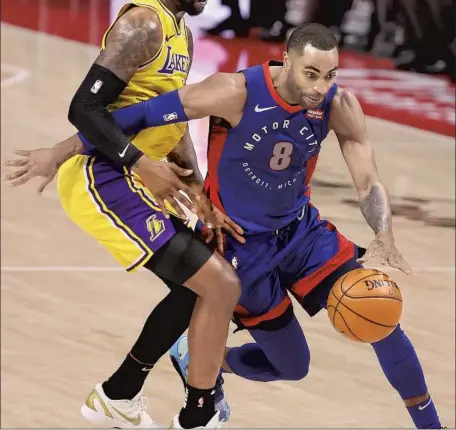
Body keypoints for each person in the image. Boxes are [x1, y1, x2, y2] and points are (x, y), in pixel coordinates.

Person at [6, 23, 444, 429]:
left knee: (379, 311)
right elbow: (136, 115)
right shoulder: (234, 91)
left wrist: (383, 234)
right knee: (292, 367)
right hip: (238, 243)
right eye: (311, 74)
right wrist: (62, 150)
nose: (320, 87)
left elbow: (366, 178)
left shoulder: (338, 104)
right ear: (286, 61)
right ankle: (201, 358)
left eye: (329, 76)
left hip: (301, 234)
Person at [5, 0, 243, 430]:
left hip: (135, 175)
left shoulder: (182, 29)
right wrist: (140, 163)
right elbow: (83, 108)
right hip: (103, 176)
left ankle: (120, 394)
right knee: (217, 283)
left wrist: (198, 189)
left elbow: (171, 117)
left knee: (204, 283)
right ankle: (187, 405)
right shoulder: (143, 25)